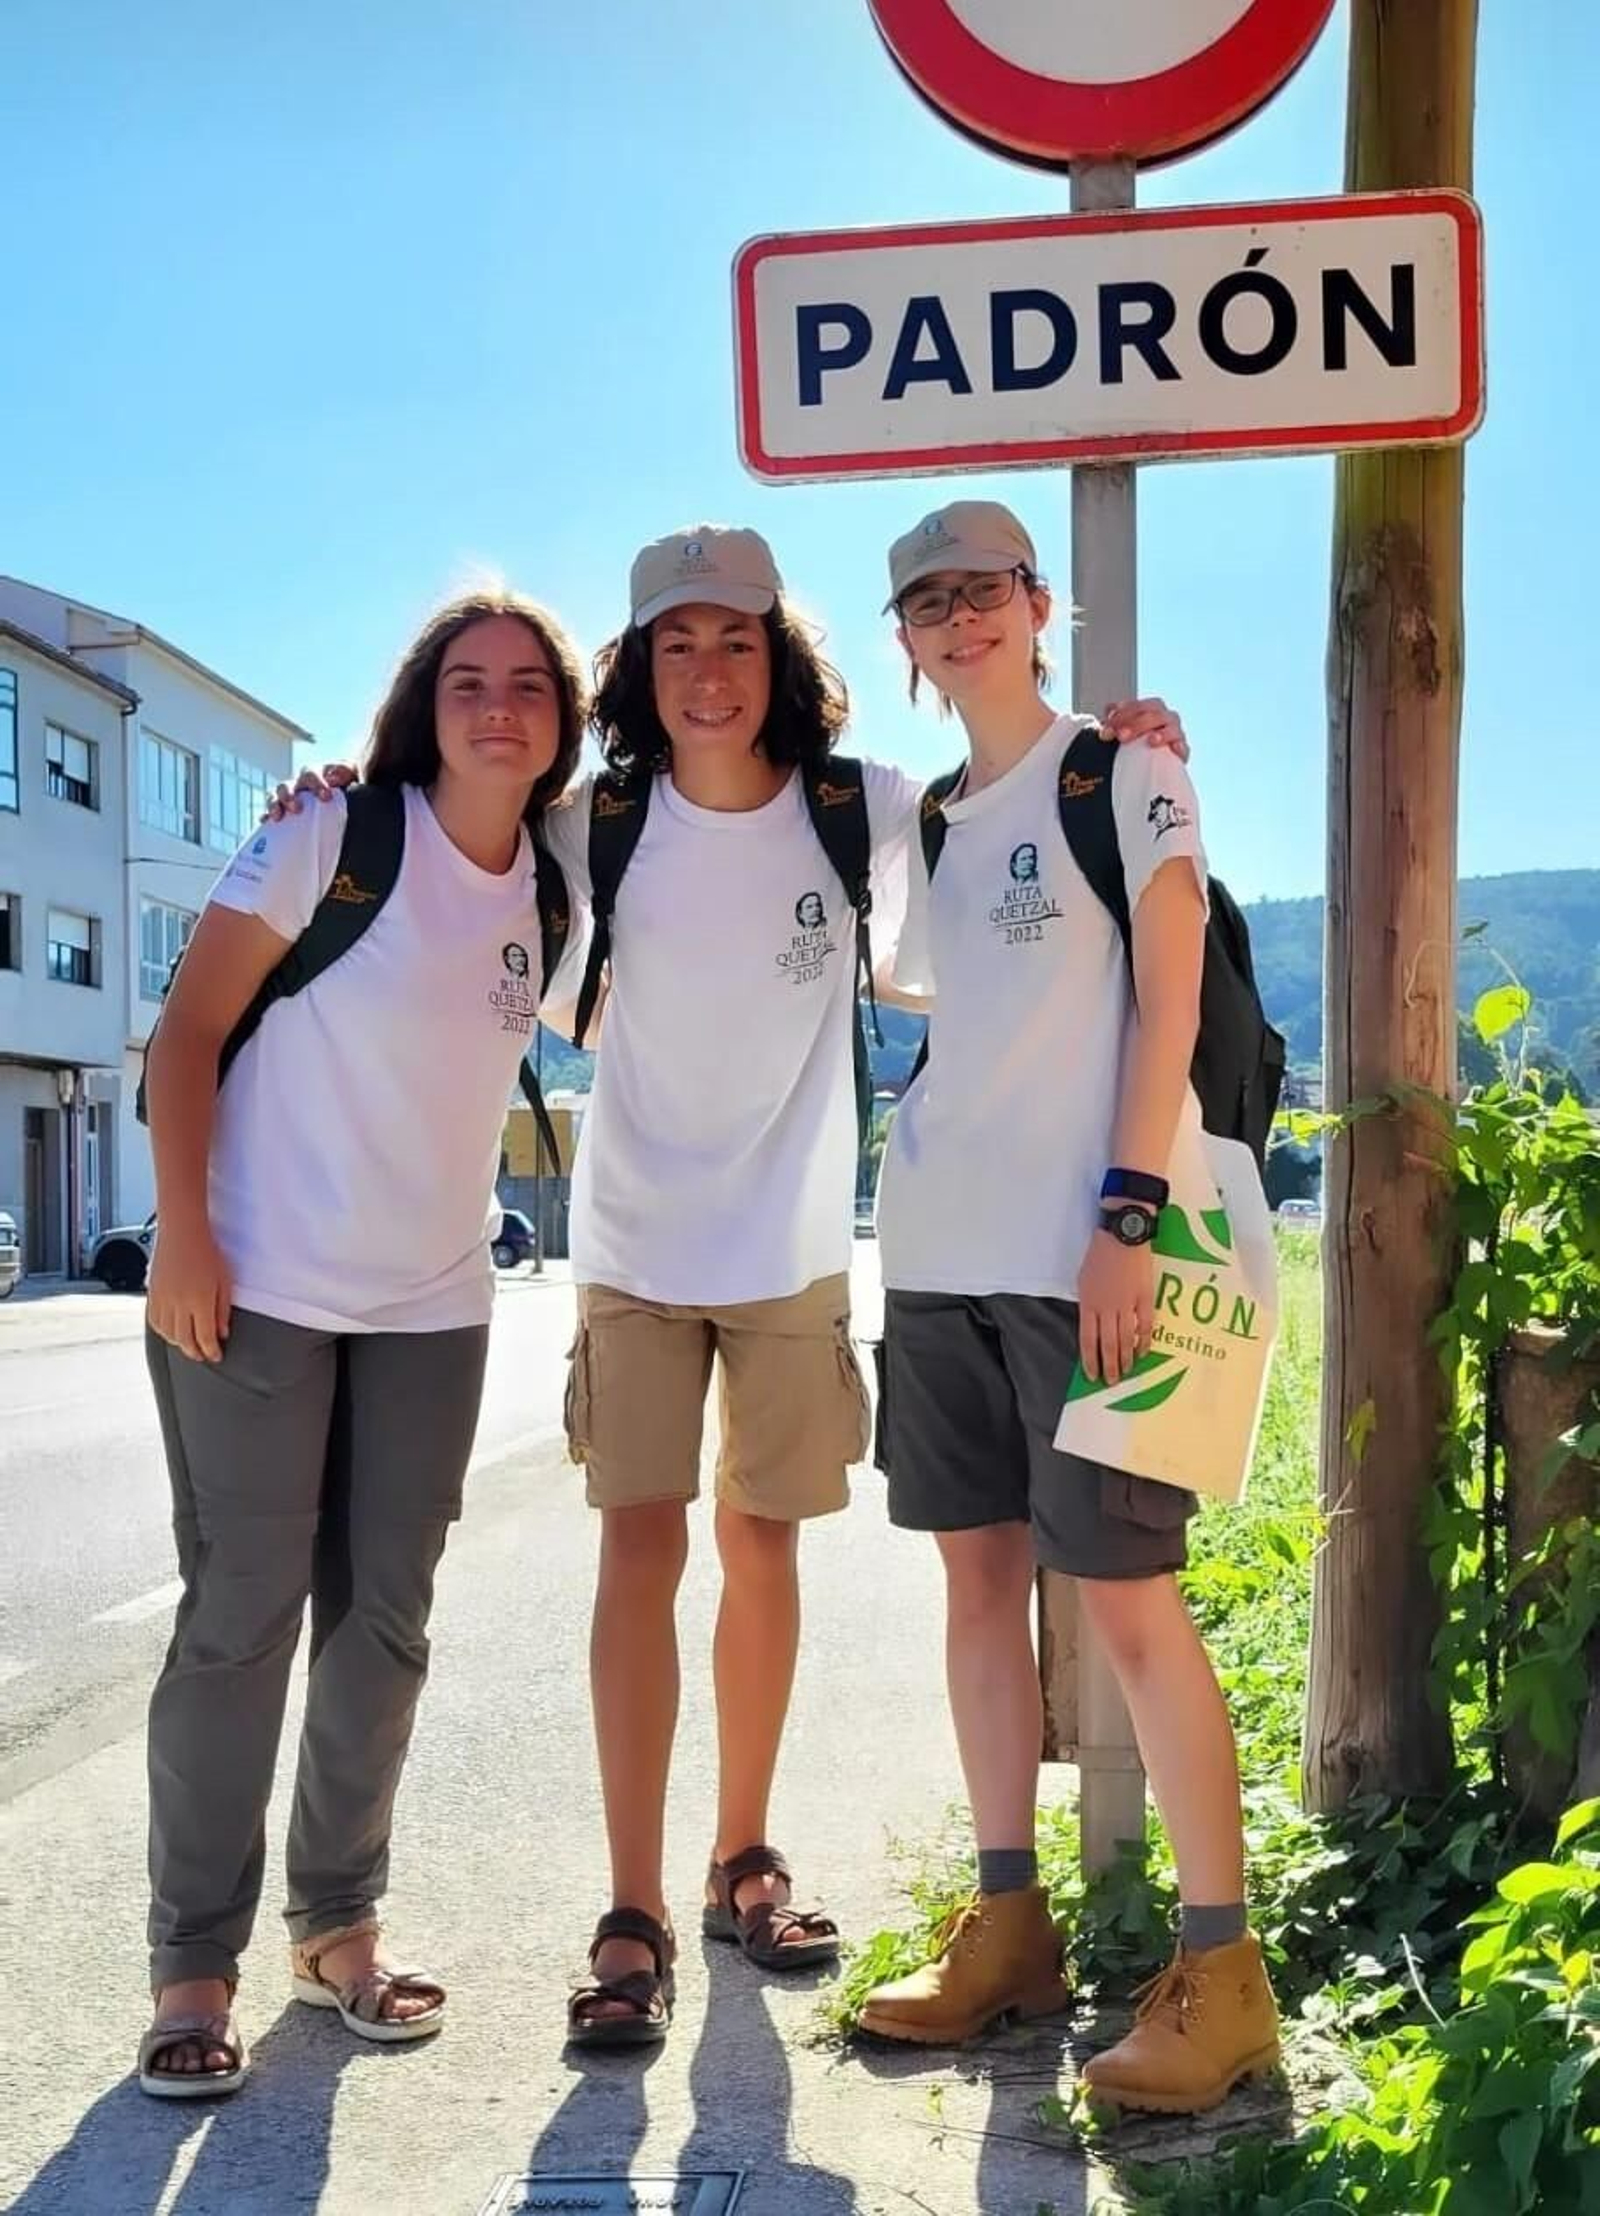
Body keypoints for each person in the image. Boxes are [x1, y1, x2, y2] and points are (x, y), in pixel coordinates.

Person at [276, 523, 1188, 2051]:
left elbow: (1032, 798)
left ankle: (741, 1860)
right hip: (633, 1249)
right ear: (637, 670)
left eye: (738, 640)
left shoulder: (871, 815)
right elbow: (444, 842)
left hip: (792, 1253)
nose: (709, 672)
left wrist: (1138, 737)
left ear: (786, 659)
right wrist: (326, 798)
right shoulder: (590, 830)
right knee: (639, 1557)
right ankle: (630, 1908)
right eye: (677, 644)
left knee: (763, 1555)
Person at [858, 501, 1280, 2119]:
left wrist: (1127, 1215)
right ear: (901, 641)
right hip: (937, 1250)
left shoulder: (1121, 772)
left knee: (1128, 1603)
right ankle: (1009, 1928)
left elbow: (1168, 993)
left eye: (983, 593)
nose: (957, 621)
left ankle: (1226, 1977)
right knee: (976, 1590)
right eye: (926, 603)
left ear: (1040, 605)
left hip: (1088, 1258)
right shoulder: (936, 824)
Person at [136, 590, 587, 2098]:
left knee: (384, 1628)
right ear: (424, 704)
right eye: (470, 681)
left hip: (432, 1306)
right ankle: (192, 1965)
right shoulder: (334, 835)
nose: (500, 705)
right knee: (241, 1621)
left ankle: (337, 1932)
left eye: (530, 683)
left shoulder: (555, 885)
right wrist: (181, 1234)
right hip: (254, 1282)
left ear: (562, 721)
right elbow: (187, 1033)